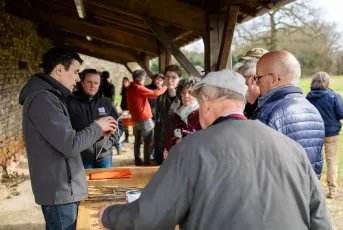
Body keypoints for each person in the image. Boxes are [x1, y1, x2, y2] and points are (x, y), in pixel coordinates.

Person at [98, 69, 331, 230]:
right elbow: (319, 219)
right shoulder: (291, 148)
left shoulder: (192, 149)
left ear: (207, 102)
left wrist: (108, 214)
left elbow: (150, 218)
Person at [19, 44, 117, 230]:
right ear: (59, 70)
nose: (78, 79)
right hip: (60, 189)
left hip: (64, 186)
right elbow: (70, 144)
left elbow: (65, 139)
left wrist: (98, 131)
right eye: (76, 72)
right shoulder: (43, 99)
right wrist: (97, 126)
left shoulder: (51, 97)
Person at [251, 50, 325, 179]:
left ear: (274, 79)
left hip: (276, 197)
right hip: (305, 195)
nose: (256, 83)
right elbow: (317, 165)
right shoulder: (313, 109)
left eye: (258, 77)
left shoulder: (266, 113)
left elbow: (254, 170)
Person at [67, 68, 124, 169]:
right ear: (82, 82)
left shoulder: (107, 102)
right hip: (81, 156)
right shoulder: (71, 102)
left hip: (104, 156)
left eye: (96, 83)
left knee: (105, 184)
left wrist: (110, 142)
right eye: (89, 82)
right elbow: (66, 129)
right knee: (85, 185)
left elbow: (119, 125)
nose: (93, 85)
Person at [306, 71, 343, 198]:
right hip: (331, 132)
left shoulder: (308, 97)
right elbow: (341, 113)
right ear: (327, 82)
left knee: (312, 160)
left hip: (313, 131)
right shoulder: (333, 96)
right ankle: (333, 190)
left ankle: (310, 189)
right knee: (331, 160)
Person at [126, 69, 167, 166]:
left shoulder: (130, 87)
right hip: (144, 119)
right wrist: (165, 87)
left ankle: (137, 159)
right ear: (143, 78)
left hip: (135, 119)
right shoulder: (138, 88)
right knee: (148, 142)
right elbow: (155, 94)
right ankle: (147, 162)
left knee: (137, 141)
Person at [164, 77, 202, 158]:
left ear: (197, 95)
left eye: (190, 92)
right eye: (183, 92)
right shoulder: (177, 114)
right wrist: (176, 141)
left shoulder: (202, 114)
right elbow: (169, 139)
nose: (186, 95)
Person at [153, 65, 182, 165]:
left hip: (178, 146)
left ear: (180, 79)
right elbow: (157, 123)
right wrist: (156, 146)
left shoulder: (185, 98)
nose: (170, 80)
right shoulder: (160, 98)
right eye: (167, 77)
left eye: (174, 77)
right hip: (161, 146)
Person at [120, 77, 130, 143]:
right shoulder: (123, 90)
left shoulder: (130, 90)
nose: (125, 83)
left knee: (133, 124)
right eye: (124, 82)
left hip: (130, 109)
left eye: (126, 81)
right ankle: (127, 138)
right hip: (124, 109)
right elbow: (123, 100)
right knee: (125, 124)